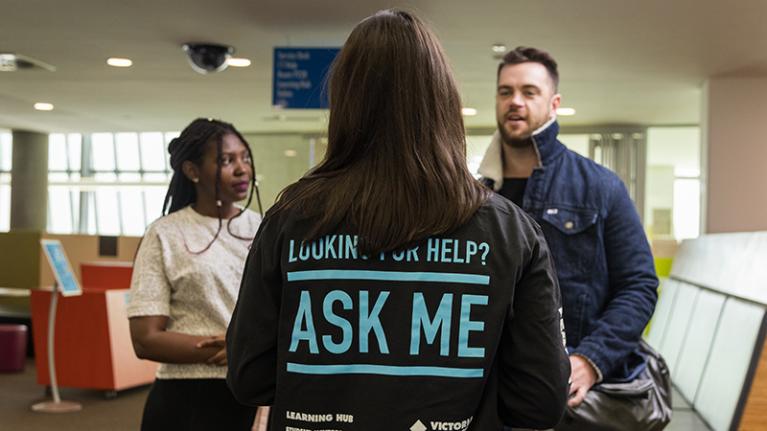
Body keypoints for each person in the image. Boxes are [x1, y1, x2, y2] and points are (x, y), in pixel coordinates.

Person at [226, 10, 570, 430]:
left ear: (345, 100)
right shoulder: (509, 231)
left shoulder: (288, 220)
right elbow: (539, 401)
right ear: (443, 101)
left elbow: (250, 379)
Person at [478, 47, 659, 412]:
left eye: (529, 92)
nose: (515, 102)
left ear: (554, 103)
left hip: (570, 393)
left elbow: (639, 286)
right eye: (505, 92)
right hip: (493, 392)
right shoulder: (477, 196)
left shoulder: (600, 187)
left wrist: (591, 360)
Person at [127, 118, 265, 430]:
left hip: (252, 390)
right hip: (186, 397)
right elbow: (145, 339)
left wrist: (242, 350)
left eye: (245, 157)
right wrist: (230, 348)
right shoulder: (165, 233)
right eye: (227, 160)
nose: (242, 169)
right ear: (192, 171)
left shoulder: (264, 228)